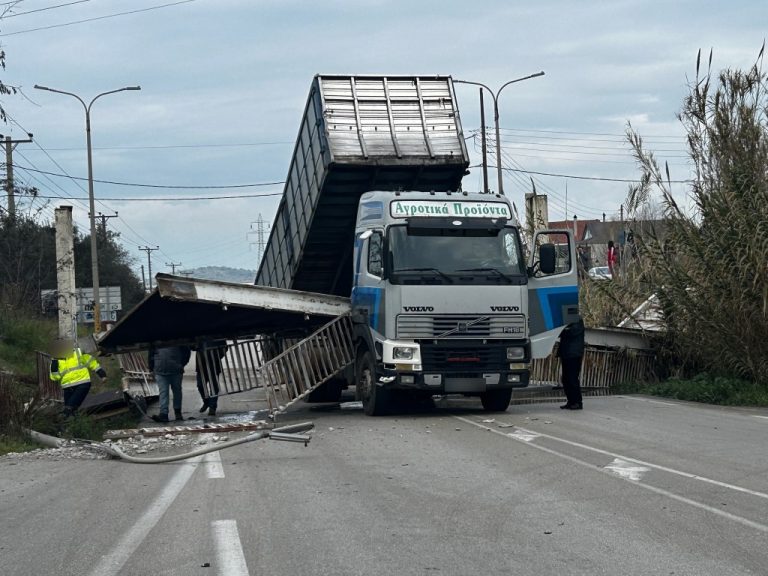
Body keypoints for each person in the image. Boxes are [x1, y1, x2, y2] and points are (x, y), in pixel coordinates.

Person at [49, 338, 107, 417]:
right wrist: (54, 368)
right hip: (67, 387)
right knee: (72, 410)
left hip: (82, 383)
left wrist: (101, 373)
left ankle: (68, 421)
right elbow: (55, 378)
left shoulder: (77, 352)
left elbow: (91, 362)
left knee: (68, 408)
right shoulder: (55, 360)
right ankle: (72, 426)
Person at [149, 344, 191, 423]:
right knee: (164, 392)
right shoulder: (155, 337)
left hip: (175, 371)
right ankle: (164, 414)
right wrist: (151, 368)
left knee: (177, 392)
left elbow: (186, 351)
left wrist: (181, 364)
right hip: (160, 371)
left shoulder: (175, 335)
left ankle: (177, 412)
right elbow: (151, 353)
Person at [557, 317, 585, 410]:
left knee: (572, 378)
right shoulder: (567, 321)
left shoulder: (577, 319)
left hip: (574, 354)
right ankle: (570, 401)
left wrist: (562, 330)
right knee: (566, 379)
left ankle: (577, 402)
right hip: (566, 353)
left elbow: (572, 332)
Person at [196, 339, 227, 416]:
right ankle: (206, 402)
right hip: (201, 365)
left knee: (214, 387)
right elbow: (191, 346)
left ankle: (212, 407)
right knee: (200, 385)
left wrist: (216, 357)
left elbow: (224, 347)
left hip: (214, 365)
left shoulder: (216, 332)